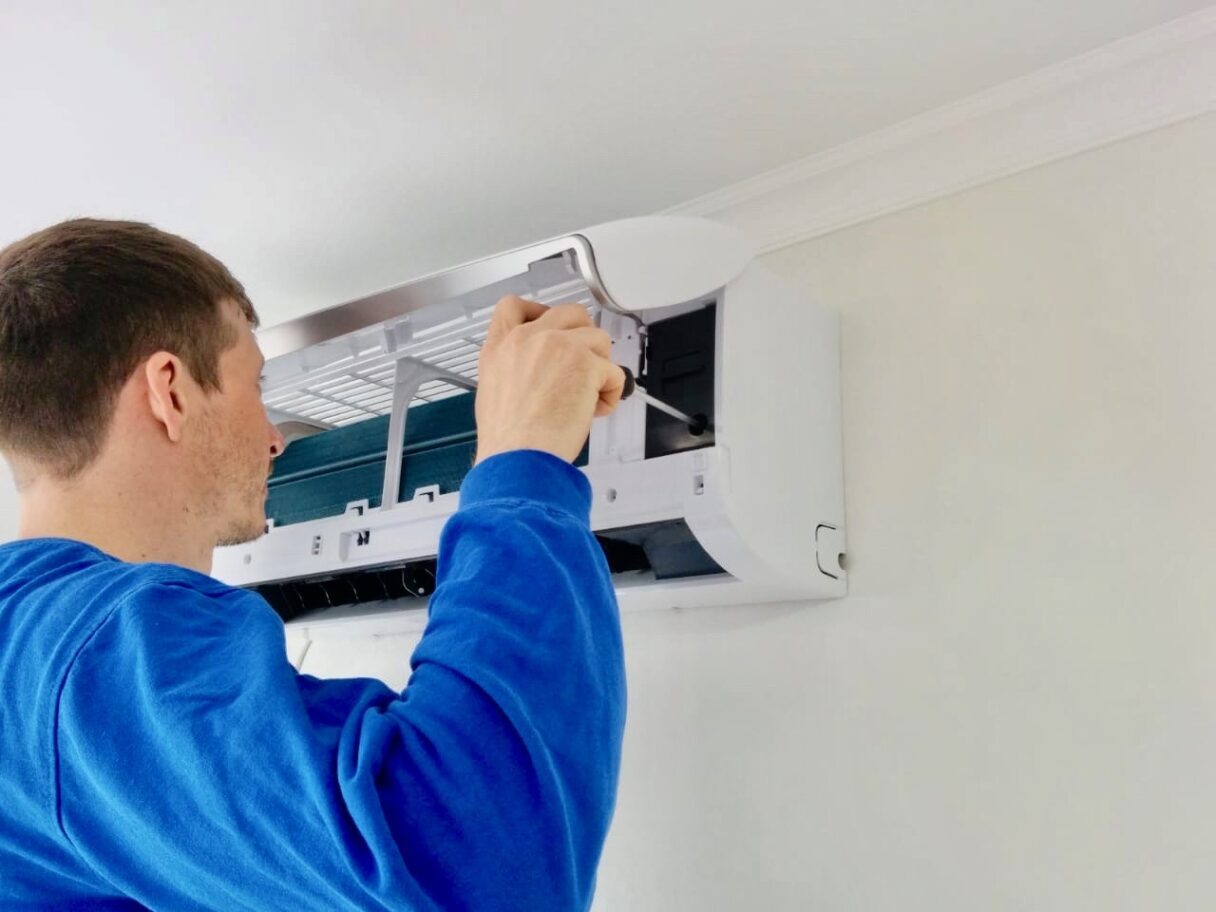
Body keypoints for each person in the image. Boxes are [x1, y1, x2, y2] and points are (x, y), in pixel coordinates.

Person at [0, 218, 628, 911]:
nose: (275, 439)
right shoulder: (98, 647)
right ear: (169, 391)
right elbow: (486, 868)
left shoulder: (28, 650)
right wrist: (523, 460)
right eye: (255, 385)